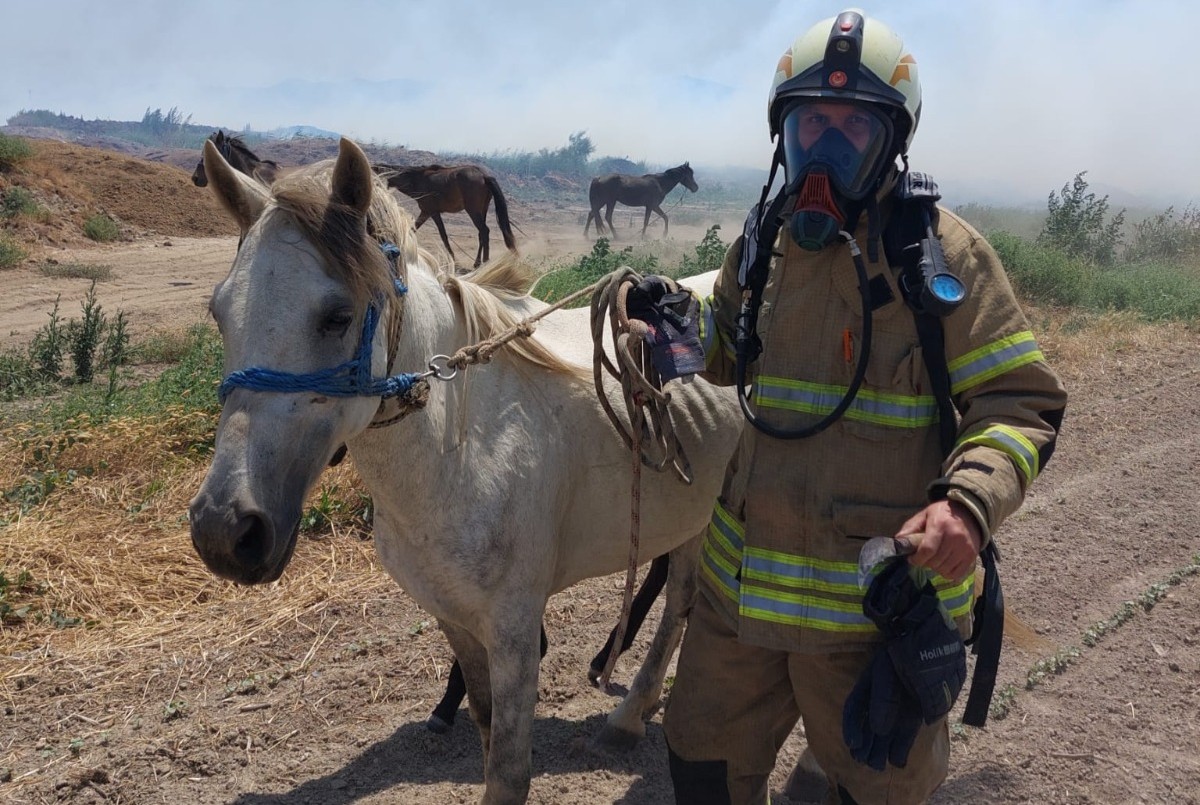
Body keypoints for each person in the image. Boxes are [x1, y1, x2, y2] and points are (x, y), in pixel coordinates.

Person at [626, 9, 1068, 805]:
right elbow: (733, 356)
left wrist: (968, 506)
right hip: (737, 606)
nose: (825, 149)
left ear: (891, 141)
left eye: (851, 128)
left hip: (876, 617)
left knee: (878, 789)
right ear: (782, 137)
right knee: (699, 766)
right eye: (810, 125)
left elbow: (1020, 401)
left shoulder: (945, 258)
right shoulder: (762, 242)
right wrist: (677, 329)